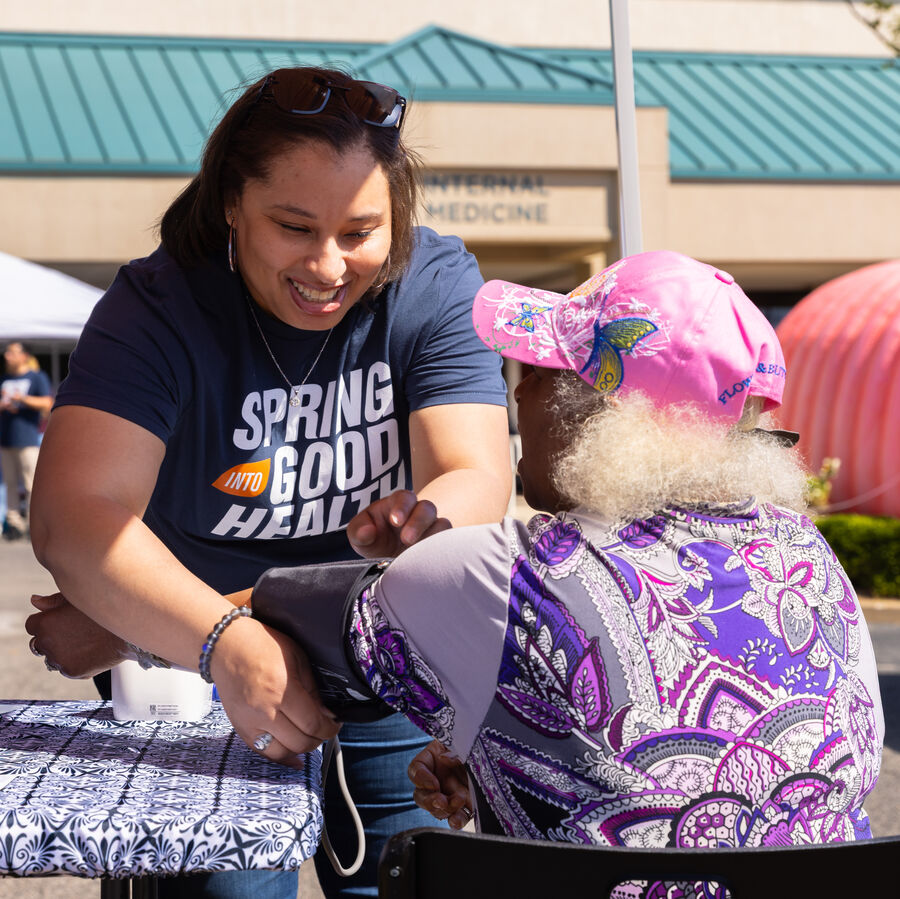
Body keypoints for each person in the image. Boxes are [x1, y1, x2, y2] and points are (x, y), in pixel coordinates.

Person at [243, 251, 883, 886]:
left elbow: (278, 610)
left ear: (597, 414)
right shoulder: (813, 560)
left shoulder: (510, 571)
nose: (519, 389)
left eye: (542, 371)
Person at [26, 66, 511, 899]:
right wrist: (220, 641)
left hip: (379, 668)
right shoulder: (159, 304)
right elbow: (75, 519)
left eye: (362, 233)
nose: (329, 267)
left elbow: (476, 479)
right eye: (294, 227)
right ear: (229, 206)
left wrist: (428, 522)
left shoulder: (433, 283)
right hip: (195, 670)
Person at [0, 340, 52, 540]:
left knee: (32, 483)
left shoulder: (36, 377)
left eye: (12, 352)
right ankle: (13, 524)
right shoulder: (4, 378)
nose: (7, 356)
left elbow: (47, 403)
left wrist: (22, 399)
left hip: (28, 439)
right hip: (6, 440)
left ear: (24, 356)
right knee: (10, 483)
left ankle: (34, 524)